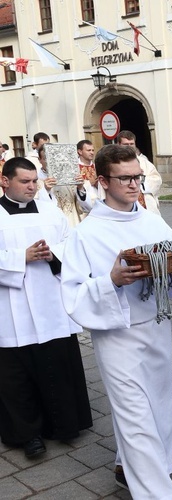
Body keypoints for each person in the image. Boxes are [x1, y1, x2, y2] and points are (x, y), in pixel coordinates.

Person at [61, 144, 172, 498]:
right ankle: (157, 492)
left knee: (159, 404)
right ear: (103, 181)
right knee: (134, 414)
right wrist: (111, 282)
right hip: (117, 335)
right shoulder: (86, 233)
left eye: (137, 176)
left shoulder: (152, 220)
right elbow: (73, 293)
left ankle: (145, 465)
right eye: (125, 178)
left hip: (155, 326)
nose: (135, 184)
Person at [0, 157, 92, 459]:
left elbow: (70, 243)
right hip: (12, 309)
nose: (31, 186)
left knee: (56, 364)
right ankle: (27, 435)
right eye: (24, 182)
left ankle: (65, 424)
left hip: (52, 303)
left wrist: (53, 256)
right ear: (5, 181)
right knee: (17, 375)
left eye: (34, 181)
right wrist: (19, 257)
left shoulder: (50, 210)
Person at [36, 144, 93, 227]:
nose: (50, 162)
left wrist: (80, 189)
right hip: (50, 227)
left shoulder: (73, 180)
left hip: (72, 225)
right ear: (40, 160)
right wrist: (46, 191)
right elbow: (39, 210)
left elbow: (88, 208)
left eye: (53, 158)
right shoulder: (35, 182)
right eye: (46, 158)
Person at [116, 131, 162, 215]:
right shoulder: (113, 164)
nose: (129, 147)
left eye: (131, 144)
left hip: (146, 206)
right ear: (118, 145)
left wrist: (140, 179)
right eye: (126, 144)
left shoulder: (145, 163)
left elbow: (156, 180)